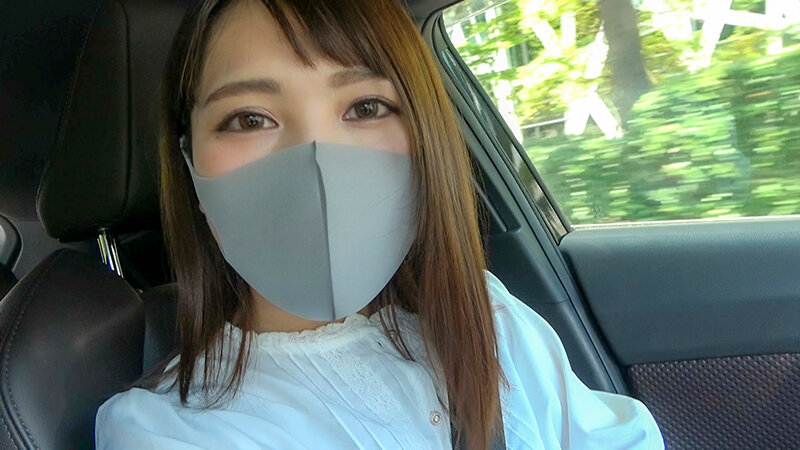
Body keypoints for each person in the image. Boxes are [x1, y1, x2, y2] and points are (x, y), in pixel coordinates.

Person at [95, 0, 664, 448]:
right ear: (191, 169)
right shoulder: (166, 430)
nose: (317, 160)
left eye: (366, 108)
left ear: (426, 138)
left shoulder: (487, 317)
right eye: (249, 119)